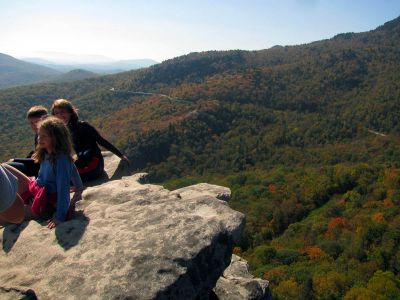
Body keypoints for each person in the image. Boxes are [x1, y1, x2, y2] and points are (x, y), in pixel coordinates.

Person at [3, 117, 84, 229]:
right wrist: (79, 186)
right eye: (39, 135)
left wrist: (59, 217)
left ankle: (21, 206)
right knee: (4, 168)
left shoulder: (62, 159)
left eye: (44, 136)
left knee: (7, 215)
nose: (39, 138)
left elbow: (63, 189)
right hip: (37, 189)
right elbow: (73, 167)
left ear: (56, 138)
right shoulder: (46, 153)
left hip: (47, 201)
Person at [51, 99, 130, 182]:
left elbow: (101, 140)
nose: (59, 115)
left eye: (62, 112)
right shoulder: (60, 130)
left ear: (70, 112)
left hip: (92, 164)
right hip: (78, 163)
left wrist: (121, 155)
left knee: (66, 178)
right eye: (56, 113)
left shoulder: (83, 126)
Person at [7, 105, 48, 177]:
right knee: (6, 166)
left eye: (37, 121)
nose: (34, 125)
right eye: (31, 123)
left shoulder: (49, 136)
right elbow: (36, 153)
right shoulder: (38, 134)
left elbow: (41, 159)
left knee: (7, 167)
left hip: (43, 169)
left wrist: (16, 160)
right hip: (37, 165)